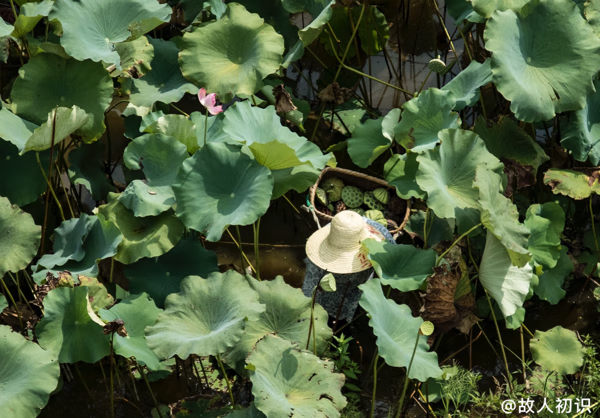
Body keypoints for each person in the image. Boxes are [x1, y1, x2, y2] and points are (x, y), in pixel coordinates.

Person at [302, 210, 395, 326]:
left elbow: (393, 259)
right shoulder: (334, 231)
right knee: (324, 318)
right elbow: (310, 287)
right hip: (329, 294)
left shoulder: (380, 234)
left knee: (351, 317)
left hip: (360, 289)